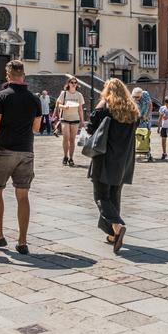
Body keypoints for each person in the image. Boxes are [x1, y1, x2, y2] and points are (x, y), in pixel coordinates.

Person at [0, 60, 41, 255]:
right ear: (23, 75)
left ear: (8, 75)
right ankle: (22, 241)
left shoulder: (1, 96)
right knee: (23, 196)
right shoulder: (34, 99)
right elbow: (35, 128)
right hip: (27, 151)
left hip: (5, 150)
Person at [86, 78, 139, 254]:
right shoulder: (132, 110)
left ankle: (117, 227)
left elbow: (91, 128)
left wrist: (100, 104)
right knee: (115, 195)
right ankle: (112, 235)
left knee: (101, 196)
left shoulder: (105, 108)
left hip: (104, 156)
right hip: (123, 159)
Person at [54, 77, 85, 167]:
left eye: (75, 82)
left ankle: (71, 158)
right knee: (66, 138)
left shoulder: (79, 95)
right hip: (65, 118)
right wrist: (64, 107)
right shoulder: (64, 94)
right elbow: (59, 105)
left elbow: (80, 109)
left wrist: (82, 121)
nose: (74, 84)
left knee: (72, 140)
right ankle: (65, 156)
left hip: (75, 119)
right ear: (68, 83)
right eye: (72, 82)